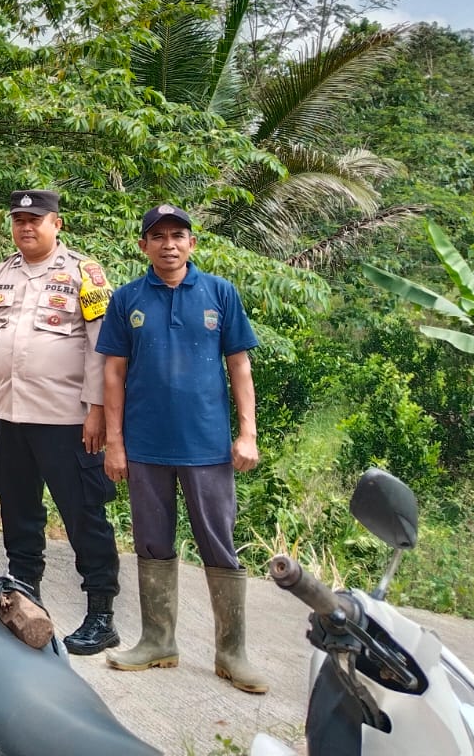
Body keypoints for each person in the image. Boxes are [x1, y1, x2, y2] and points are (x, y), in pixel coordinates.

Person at [97, 203, 268, 694]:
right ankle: (157, 641)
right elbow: (113, 374)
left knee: (219, 542)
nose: (169, 244)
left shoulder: (220, 293)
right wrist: (115, 442)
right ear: (144, 246)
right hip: (145, 444)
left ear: (192, 243)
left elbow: (240, 367)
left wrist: (247, 433)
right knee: (152, 541)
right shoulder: (127, 298)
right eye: (159, 236)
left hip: (208, 445)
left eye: (178, 235)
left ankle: (232, 653)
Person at [0, 188, 121, 655]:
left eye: (36, 218)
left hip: (68, 419)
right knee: (17, 509)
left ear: (57, 224)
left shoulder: (83, 274)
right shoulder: (1, 274)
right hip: (13, 415)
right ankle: (24, 596)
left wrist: (97, 410)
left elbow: (101, 345)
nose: (26, 227)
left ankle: (101, 613)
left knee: (84, 513)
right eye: (18, 219)